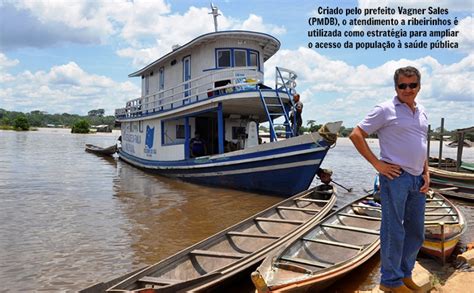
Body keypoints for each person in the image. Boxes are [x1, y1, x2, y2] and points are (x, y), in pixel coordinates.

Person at [349, 66, 429, 293]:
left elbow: (421, 143)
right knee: (394, 230)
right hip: (396, 177)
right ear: (396, 87)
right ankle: (390, 282)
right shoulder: (385, 109)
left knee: (416, 232)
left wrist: (426, 172)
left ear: (418, 86)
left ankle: (404, 275)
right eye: (402, 85)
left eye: (412, 85)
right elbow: (356, 134)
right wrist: (378, 164)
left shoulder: (422, 111)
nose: (407, 89)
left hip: (417, 179)